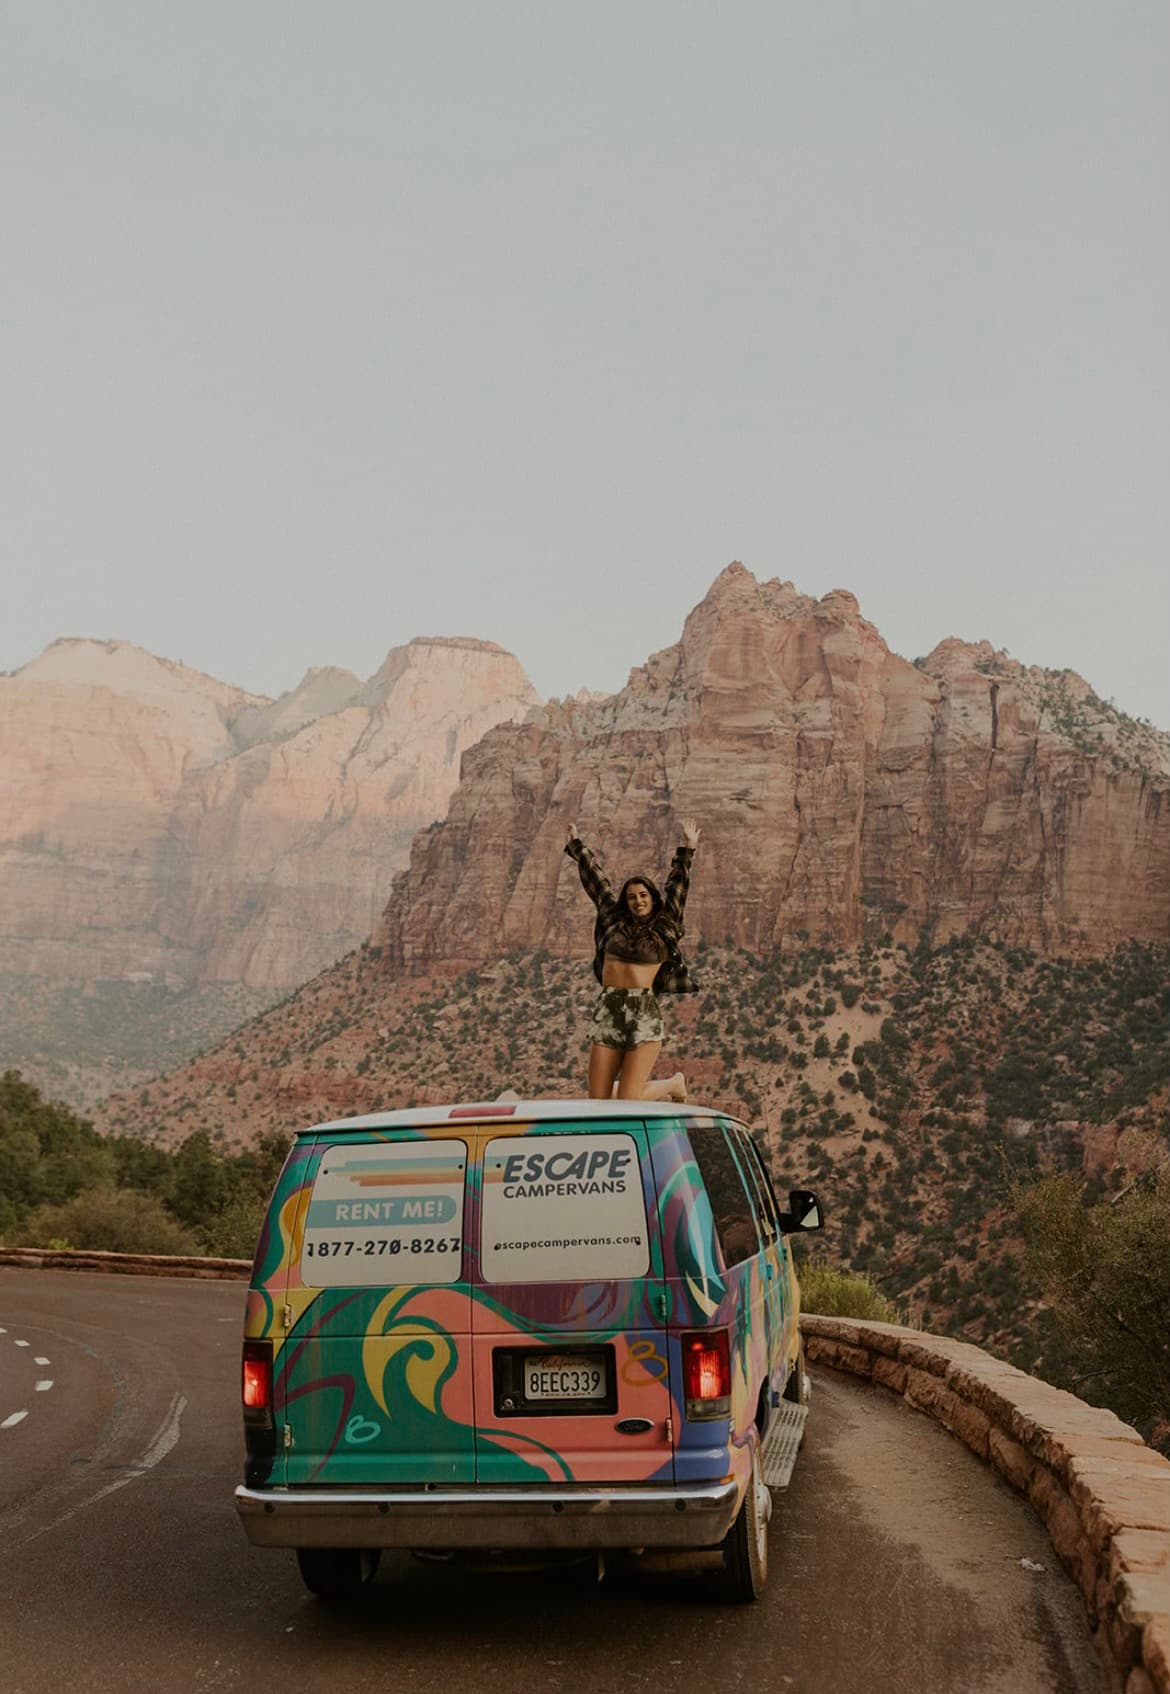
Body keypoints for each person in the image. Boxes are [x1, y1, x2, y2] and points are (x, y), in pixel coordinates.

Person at [565, 819, 700, 1100]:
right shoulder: (614, 921)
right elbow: (597, 884)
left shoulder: (664, 927)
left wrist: (688, 849)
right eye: (631, 897)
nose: (638, 901)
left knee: (628, 1101)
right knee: (598, 1103)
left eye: (643, 895)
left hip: (643, 1012)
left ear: (652, 898)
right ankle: (632, 1088)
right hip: (609, 1009)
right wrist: (577, 846)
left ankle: (674, 1084)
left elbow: (678, 888)